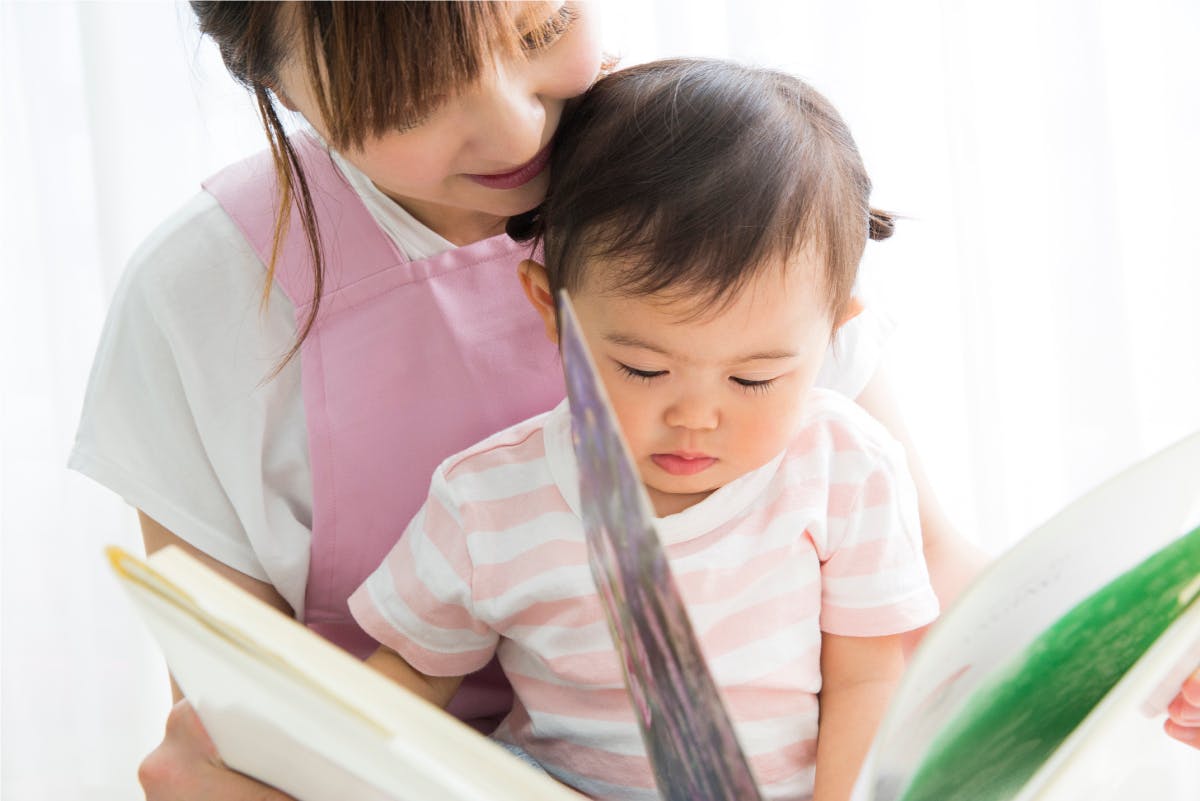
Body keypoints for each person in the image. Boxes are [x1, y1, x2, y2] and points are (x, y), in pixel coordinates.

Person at [66, 3, 1198, 800]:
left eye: (543, 25)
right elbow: (249, 705)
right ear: (265, 72)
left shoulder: (720, 176)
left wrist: (1132, 653)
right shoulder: (200, 302)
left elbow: (921, 573)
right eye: (410, 90)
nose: (520, 131)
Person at [350, 57, 939, 801]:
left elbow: (870, 678)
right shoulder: (488, 501)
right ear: (552, 310)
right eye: (643, 368)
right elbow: (407, 675)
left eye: (753, 378)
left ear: (834, 331)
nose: (695, 416)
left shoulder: (844, 466)